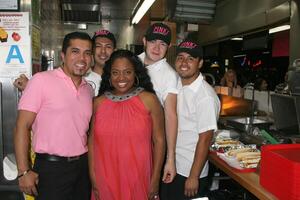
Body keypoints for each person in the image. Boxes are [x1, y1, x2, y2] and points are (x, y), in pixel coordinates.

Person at [14, 32, 93, 200]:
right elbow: (22, 126)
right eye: (75, 51)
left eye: (87, 53)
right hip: (51, 169)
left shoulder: (88, 89)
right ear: (62, 55)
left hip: (82, 167)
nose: (82, 58)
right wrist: (23, 171)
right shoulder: (41, 81)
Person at [88, 49, 165, 200]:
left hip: (139, 176)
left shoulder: (150, 100)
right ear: (109, 76)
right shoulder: (98, 103)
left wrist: (155, 178)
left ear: (135, 73)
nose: (121, 78)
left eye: (127, 72)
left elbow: (160, 141)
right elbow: (91, 143)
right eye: (115, 72)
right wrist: (93, 176)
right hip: (105, 176)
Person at [161, 39, 220, 200]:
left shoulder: (205, 96)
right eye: (180, 57)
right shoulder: (176, 85)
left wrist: (193, 177)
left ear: (200, 63)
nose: (184, 63)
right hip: (173, 166)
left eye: (190, 59)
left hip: (190, 171)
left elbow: (205, 138)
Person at [13, 29, 117, 96]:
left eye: (108, 47)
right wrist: (31, 87)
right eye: (98, 46)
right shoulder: (79, 75)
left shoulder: (120, 80)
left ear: (115, 50)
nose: (103, 51)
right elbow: (57, 92)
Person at [138, 22, 178, 183]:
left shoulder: (169, 75)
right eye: (153, 41)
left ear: (168, 47)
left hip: (150, 145)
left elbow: (171, 116)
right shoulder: (131, 62)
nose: (156, 47)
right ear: (144, 41)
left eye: (162, 44)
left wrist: (170, 159)